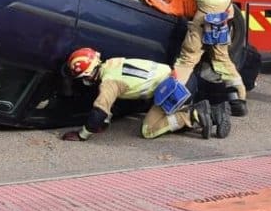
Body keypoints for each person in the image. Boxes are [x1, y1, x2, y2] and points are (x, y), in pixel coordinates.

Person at [58, 48, 230, 141]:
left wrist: (82, 134)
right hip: (180, 77)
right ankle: (215, 110)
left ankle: (194, 115)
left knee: (149, 130)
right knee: (163, 118)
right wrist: (106, 121)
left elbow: (100, 111)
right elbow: (112, 105)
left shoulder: (108, 83)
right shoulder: (113, 63)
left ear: (88, 75)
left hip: (174, 90)